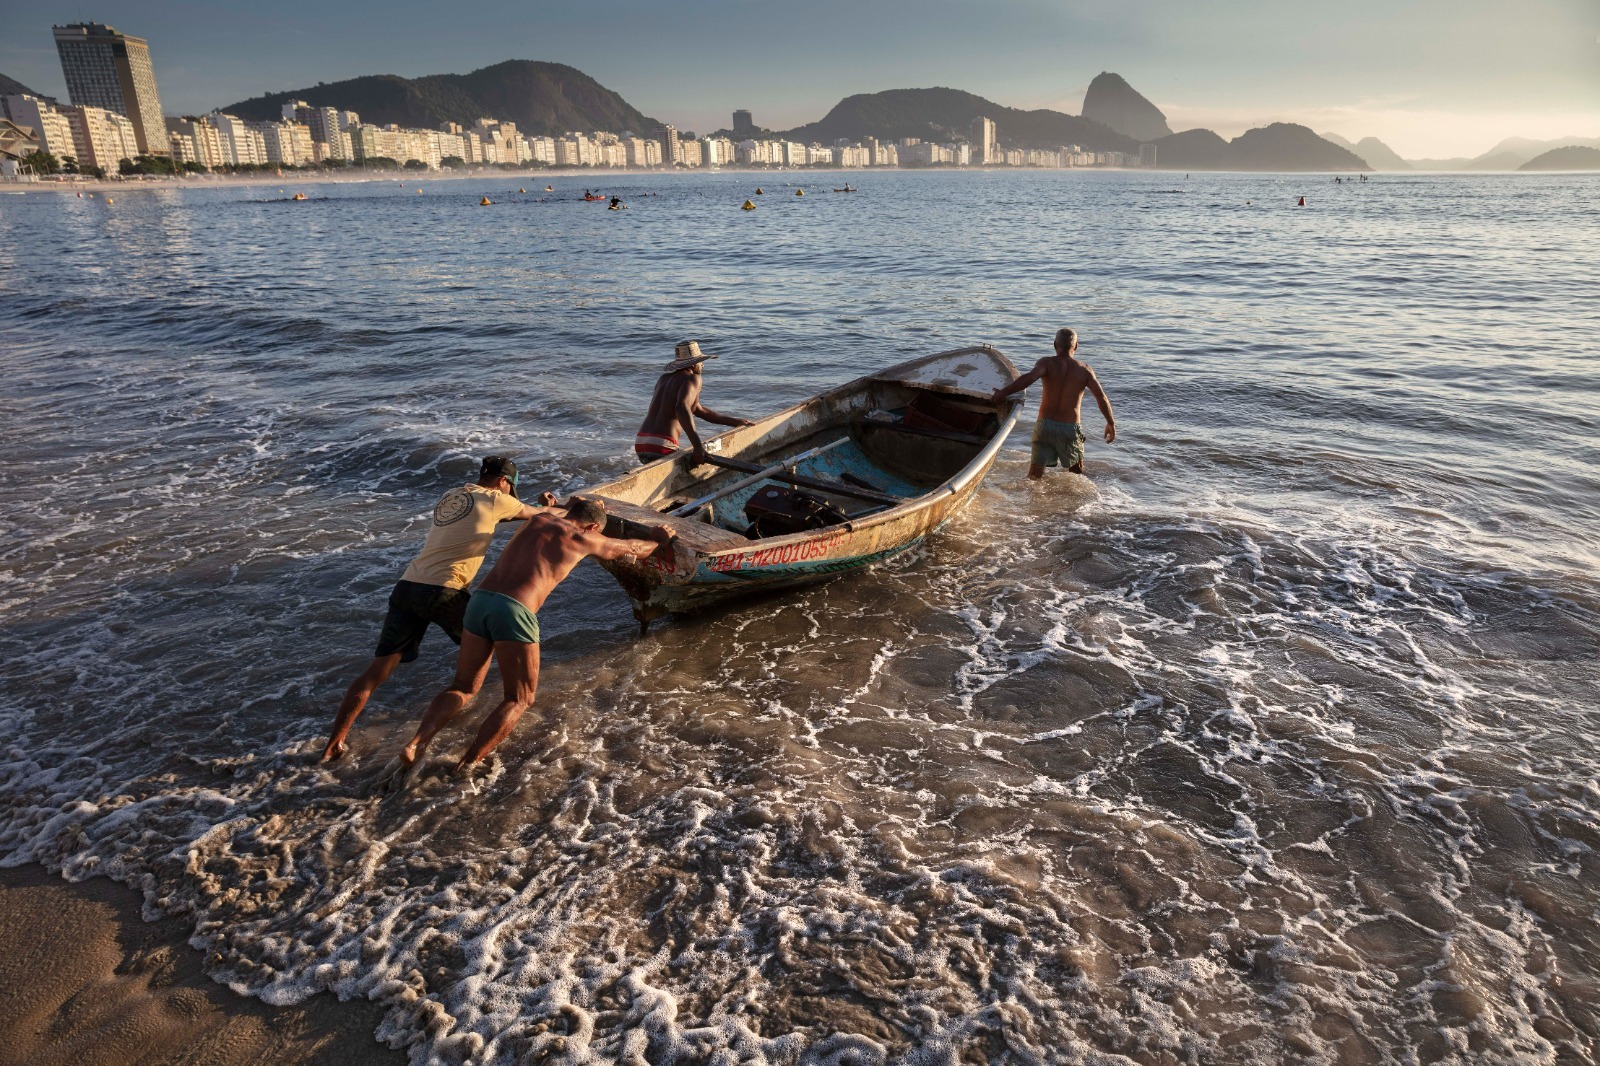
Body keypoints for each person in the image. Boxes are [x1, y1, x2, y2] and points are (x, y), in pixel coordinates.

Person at [381, 497, 675, 786]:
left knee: (463, 687)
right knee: (520, 698)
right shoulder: (583, 538)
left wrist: (567, 503)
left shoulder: (538, 519)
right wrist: (659, 540)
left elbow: (558, 510)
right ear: (593, 526)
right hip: (513, 609)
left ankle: (416, 743)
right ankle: (466, 765)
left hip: (480, 601)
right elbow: (632, 549)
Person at [320, 456, 551, 762]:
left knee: (376, 671)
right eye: (511, 491)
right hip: (446, 592)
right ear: (503, 482)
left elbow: (486, 518)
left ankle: (334, 744)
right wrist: (547, 505)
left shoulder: (451, 496)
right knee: (485, 656)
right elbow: (542, 517)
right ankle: (431, 733)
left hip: (407, 587)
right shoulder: (497, 498)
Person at [990, 328, 1116, 479]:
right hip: (1070, 429)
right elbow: (1101, 398)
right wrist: (1110, 423)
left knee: (1034, 477)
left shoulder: (1046, 363)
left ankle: (1031, 501)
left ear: (1055, 344)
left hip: (1044, 426)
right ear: (1076, 346)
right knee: (1077, 475)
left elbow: (1028, 379)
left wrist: (1003, 392)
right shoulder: (1085, 370)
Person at [634, 340, 754, 465]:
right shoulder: (693, 378)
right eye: (700, 362)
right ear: (692, 364)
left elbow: (699, 410)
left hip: (641, 441)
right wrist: (697, 447)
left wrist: (736, 422)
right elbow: (681, 408)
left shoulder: (664, 379)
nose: (702, 365)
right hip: (663, 444)